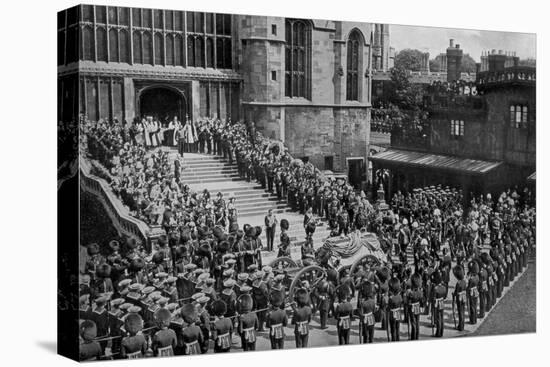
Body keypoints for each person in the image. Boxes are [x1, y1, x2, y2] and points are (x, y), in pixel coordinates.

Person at [430, 270, 447, 337]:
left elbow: (433, 298)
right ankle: (441, 332)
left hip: (437, 303)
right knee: (441, 318)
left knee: (438, 318)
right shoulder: (444, 287)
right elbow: (445, 296)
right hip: (442, 302)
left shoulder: (435, 288)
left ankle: (438, 333)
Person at [387, 277, 403, 341]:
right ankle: (398, 339)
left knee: (393, 329)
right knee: (397, 328)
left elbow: (389, 307)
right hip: (398, 312)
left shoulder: (391, 298)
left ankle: (394, 340)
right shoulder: (400, 296)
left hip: (392, 314)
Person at [453, 264, 467, 331]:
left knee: (460, 312)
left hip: (459, 298)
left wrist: (454, 294)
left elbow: (456, 292)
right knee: (463, 311)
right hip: (464, 297)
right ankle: (462, 325)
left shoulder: (458, 283)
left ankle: (460, 326)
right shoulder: (464, 281)